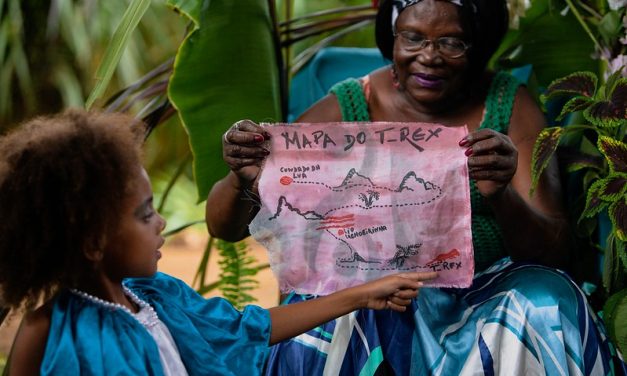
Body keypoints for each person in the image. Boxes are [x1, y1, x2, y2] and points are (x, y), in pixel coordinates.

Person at [206, 0, 627, 374]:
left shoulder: (507, 105)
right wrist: (243, 176)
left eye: (452, 43)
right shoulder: (350, 106)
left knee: (541, 301)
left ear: (477, 45)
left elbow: (556, 250)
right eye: (412, 38)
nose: (429, 57)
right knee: (333, 314)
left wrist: (501, 194)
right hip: (368, 291)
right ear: (391, 37)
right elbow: (223, 229)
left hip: (483, 290)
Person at [0, 109, 439, 375]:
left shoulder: (158, 297)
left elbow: (251, 328)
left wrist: (363, 295)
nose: (161, 224)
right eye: (145, 213)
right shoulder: (47, 329)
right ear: (93, 241)